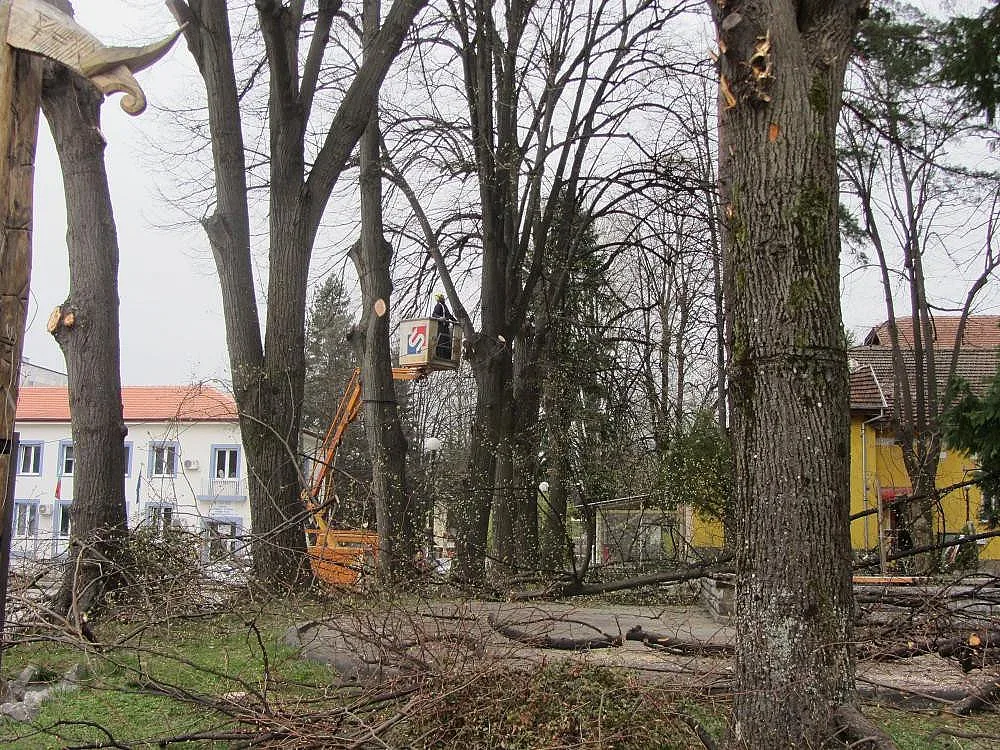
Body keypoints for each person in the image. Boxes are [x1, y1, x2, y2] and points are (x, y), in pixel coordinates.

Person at [431, 292, 456, 358]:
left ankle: (446, 356)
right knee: (441, 341)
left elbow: (449, 315)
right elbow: (434, 314)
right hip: (441, 326)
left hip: (445, 327)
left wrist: (455, 321)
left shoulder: (444, 306)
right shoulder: (438, 305)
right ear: (439, 299)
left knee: (446, 341)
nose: (443, 299)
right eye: (442, 298)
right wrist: (439, 318)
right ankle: (440, 355)